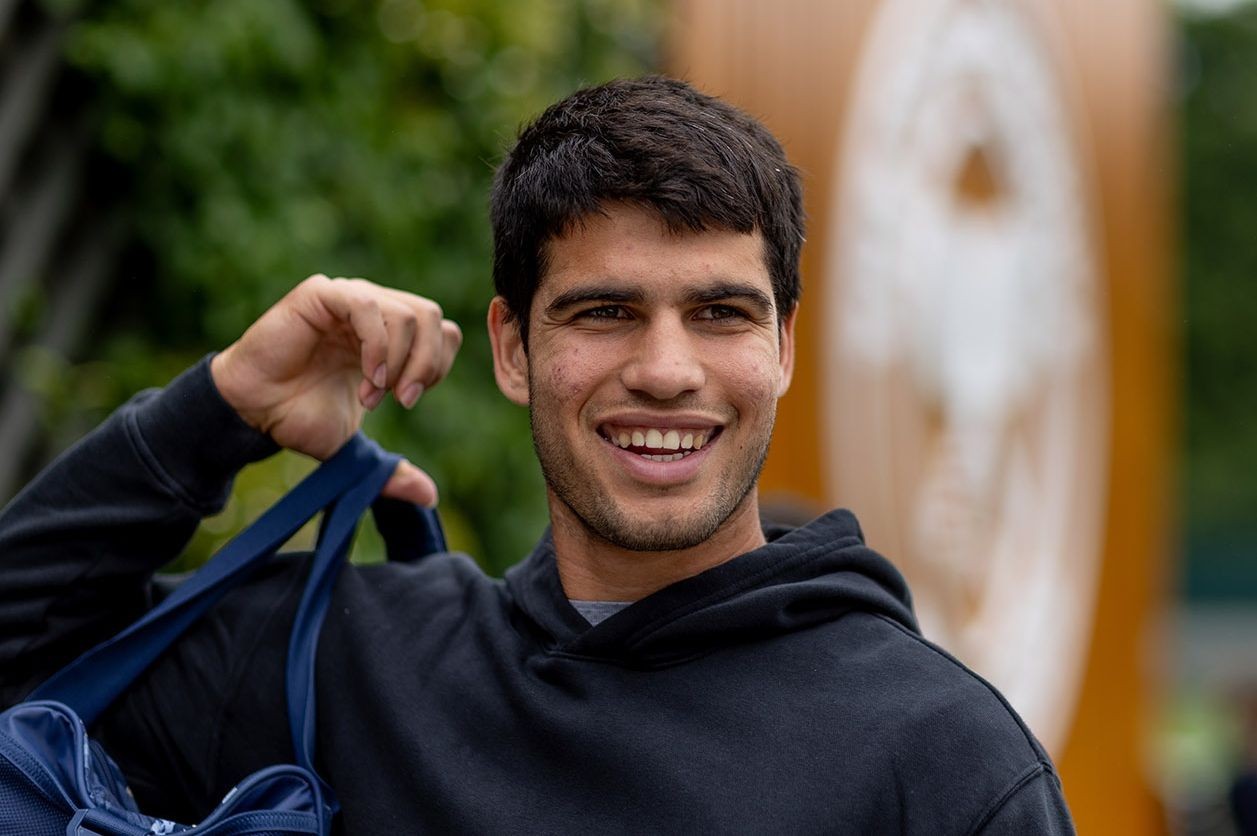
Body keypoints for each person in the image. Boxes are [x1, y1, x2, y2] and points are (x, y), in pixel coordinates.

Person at [0, 76, 1074, 833]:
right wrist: (221, 408)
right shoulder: (337, 666)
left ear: (783, 348)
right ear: (512, 348)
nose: (666, 370)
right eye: (605, 311)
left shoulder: (941, 760)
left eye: (720, 313)